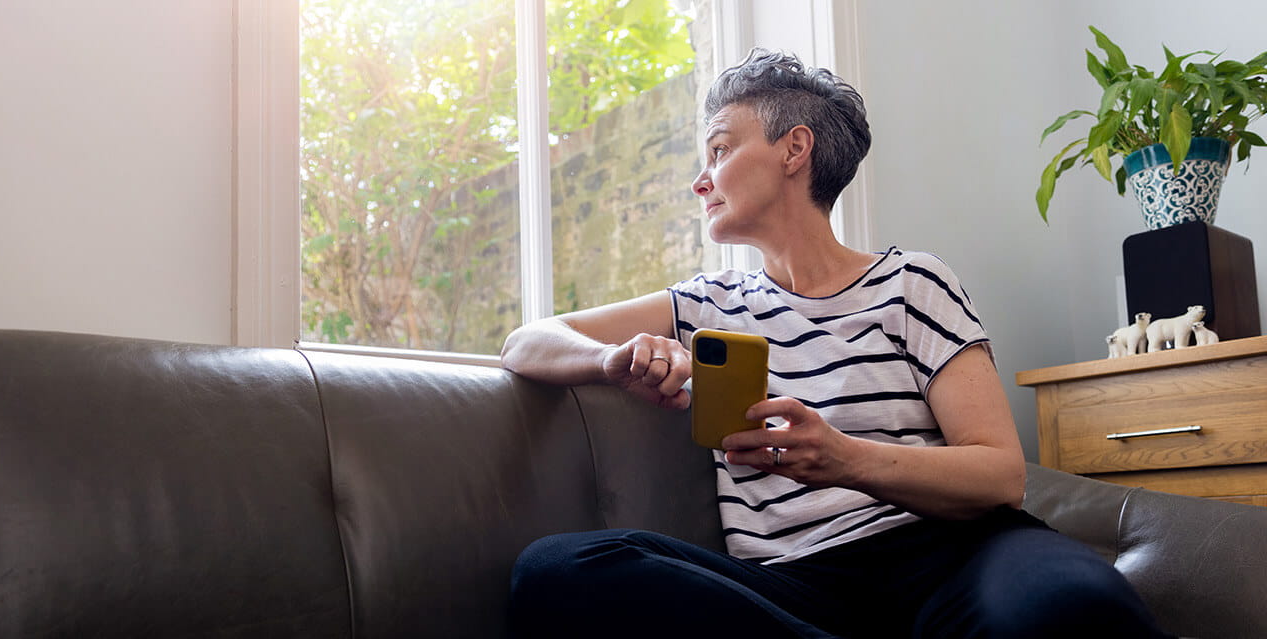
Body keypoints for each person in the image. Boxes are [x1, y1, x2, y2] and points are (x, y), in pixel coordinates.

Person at [500, 48, 1169, 638]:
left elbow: (1000, 474)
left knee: (1073, 606)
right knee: (559, 571)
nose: (700, 180)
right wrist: (610, 360)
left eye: (721, 150)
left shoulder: (913, 283)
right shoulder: (705, 305)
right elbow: (526, 342)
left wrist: (844, 458)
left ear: (795, 149)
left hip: (958, 555)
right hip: (796, 588)